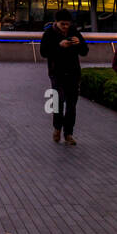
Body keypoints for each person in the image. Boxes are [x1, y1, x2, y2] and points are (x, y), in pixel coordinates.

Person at [40, 8, 89, 145]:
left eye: (68, 24)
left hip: (73, 73)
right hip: (57, 73)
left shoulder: (74, 32)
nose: (66, 27)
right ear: (56, 22)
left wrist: (79, 44)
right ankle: (57, 128)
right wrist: (59, 46)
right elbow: (44, 52)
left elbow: (85, 52)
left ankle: (68, 134)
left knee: (72, 106)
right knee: (58, 102)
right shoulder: (49, 34)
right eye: (63, 24)